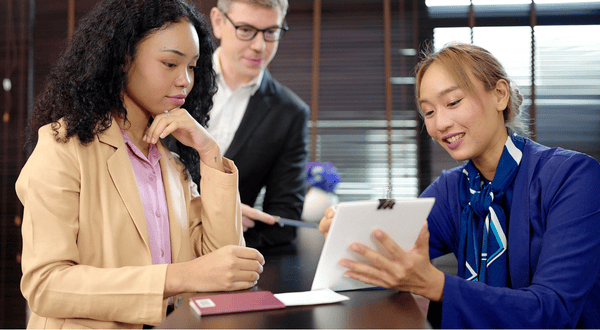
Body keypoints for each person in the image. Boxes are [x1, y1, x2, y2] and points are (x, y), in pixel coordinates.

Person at [16, 0, 264, 328]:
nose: (185, 81)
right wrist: (179, 276)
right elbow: (46, 285)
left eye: (192, 66)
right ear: (122, 59)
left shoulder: (171, 163)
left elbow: (223, 267)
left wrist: (210, 154)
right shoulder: (62, 148)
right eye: (170, 64)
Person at [318, 43, 600, 328]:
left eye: (453, 102)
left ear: (500, 95)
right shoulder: (452, 188)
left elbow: (553, 311)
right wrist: (350, 229)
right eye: (428, 112)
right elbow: (390, 254)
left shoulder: (573, 177)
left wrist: (437, 285)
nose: (440, 123)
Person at [206, 0, 310, 248]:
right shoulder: (173, 82)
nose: (260, 46)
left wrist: (230, 244)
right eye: (246, 30)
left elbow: (284, 221)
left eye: (271, 32)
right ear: (218, 22)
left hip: (230, 258)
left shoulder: (290, 113)